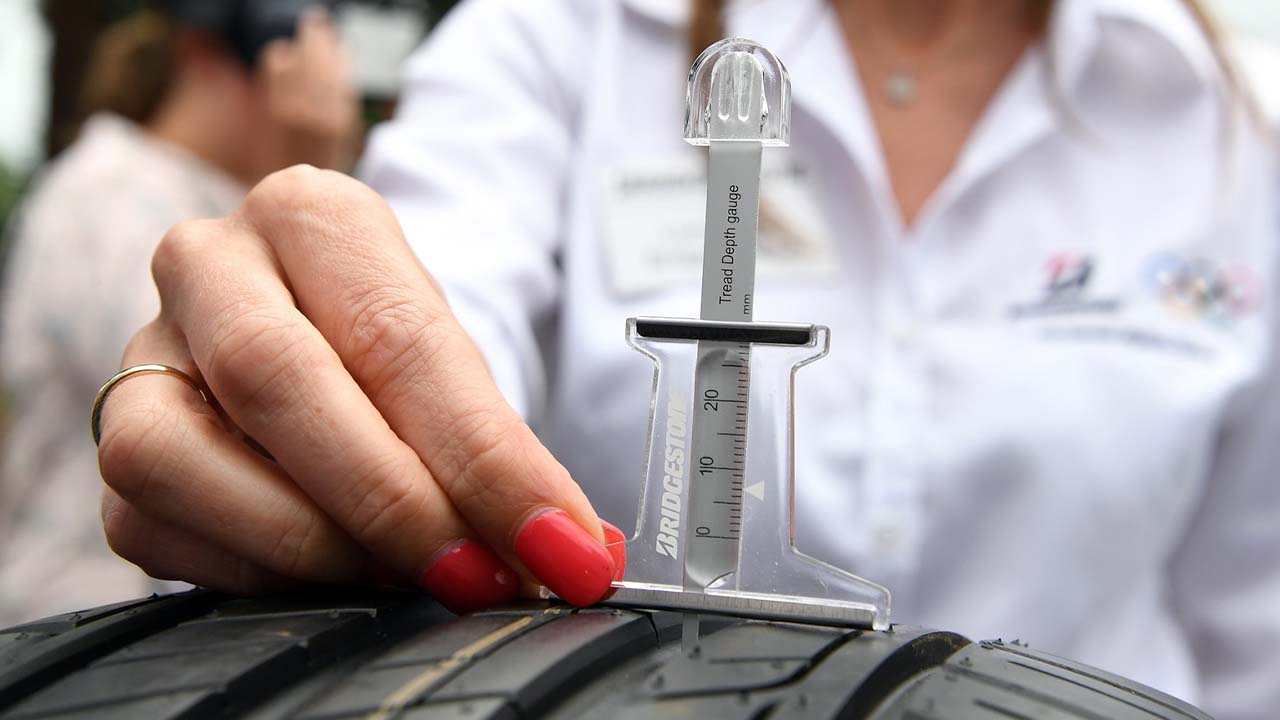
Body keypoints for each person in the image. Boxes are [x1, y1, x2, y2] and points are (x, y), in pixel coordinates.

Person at [88, 0, 1278, 717]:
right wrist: (318, 384)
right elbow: (434, 299)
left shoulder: (1223, 119)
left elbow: (1253, 633)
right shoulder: (562, 37)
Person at [0, 3, 357, 625]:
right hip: (89, 628)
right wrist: (311, 183)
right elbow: (262, 420)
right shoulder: (113, 195)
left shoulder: (202, 193)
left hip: (175, 628)